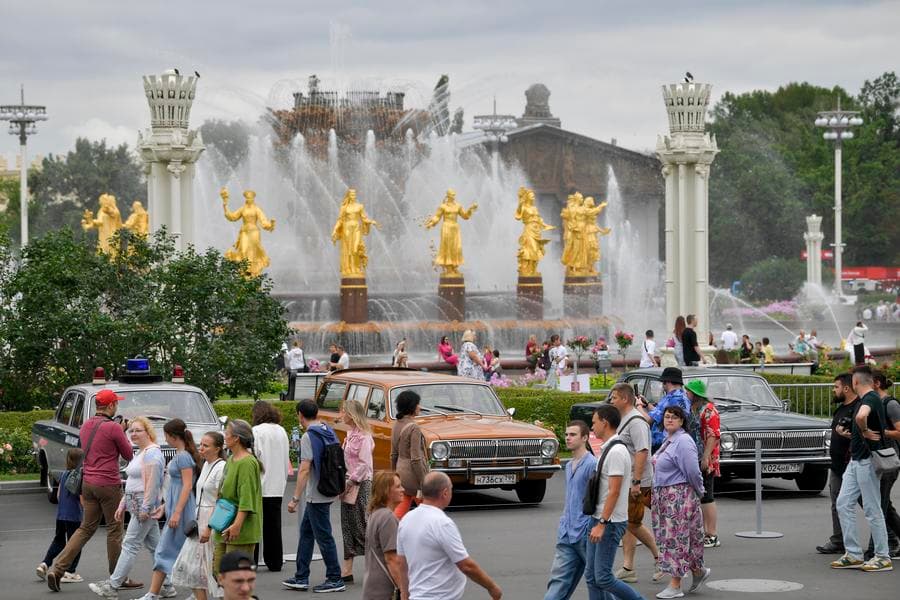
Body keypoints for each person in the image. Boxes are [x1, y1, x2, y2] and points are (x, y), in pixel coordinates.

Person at [47, 388, 133, 592]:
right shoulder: (113, 427)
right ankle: (117, 577)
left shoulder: (86, 426)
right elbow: (128, 454)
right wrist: (123, 431)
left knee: (85, 528)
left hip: (89, 483)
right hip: (108, 484)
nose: (117, 406)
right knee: (114, 530)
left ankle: (57, 569)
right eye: (116, 403)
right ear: (111, 406)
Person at [88, 417, 166, 599]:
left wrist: (146, 508)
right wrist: (123, 503)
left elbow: (153, 485)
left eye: (138, 430)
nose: (133, 433)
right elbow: (133, 481)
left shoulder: (152, 454)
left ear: (148, 431)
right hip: (136, 503)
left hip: (142, 506)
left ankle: (113, 586)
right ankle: (167, 585)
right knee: (156, 548)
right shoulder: (141, 452)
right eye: (131, 430)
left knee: (130, 545)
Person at [397, 472, 502, 600]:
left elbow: (402, 564)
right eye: (451, 489)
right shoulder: (442, 523)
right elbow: (466, 565)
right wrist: (492, 587)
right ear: (445, 493)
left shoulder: (406, 520)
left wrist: (404, 595)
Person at [831, 366, 893, 572]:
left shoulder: (870, 399)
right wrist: (856, 434)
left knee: (872, 507)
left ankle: (883, 556)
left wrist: (864, 430)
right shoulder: (868, 399)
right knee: (843, 503)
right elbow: (860, 422)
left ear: (856, 383)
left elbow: (861, 417)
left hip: (866, 461)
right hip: (857, 461)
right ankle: (854, 554)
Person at [284, 401, 345, 593]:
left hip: (316, 493)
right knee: (307, 534)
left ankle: (335, 578)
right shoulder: (327, 429)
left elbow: (304, 469)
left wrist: (295, 498)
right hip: (328, 487)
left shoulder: (308, 436)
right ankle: (301, 576)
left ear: (300, 415)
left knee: (324, 536)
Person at [583, 404, 644, 600]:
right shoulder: (609, 448)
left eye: (594, 422)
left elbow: (614, 491)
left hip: (609, 522)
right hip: (599, 518)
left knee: (603, 577)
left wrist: (602, 523)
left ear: (605, 422)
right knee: (592, 576)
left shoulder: (617, 452)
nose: (592, 427)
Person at [134, 419, 198, 600]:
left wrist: (176, 511)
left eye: (166, 435)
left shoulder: (183, 456)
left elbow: (186, 486)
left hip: (182, 509)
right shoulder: (181, 455)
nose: (165, 438)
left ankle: (153, 594)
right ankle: (157, 593)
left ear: (172, 436)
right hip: (177, 507)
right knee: (181, 551)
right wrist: (165, 506)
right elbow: (178, 487)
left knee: (168, 550)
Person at [651, 405, 710, 598]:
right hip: (667, 497)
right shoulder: (669, 440)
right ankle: (698, 571)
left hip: (678, 498)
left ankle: (675, 585)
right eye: (667, 417)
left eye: (674, 417)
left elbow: (693, 471)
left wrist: (700, 490)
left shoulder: (683, 441)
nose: (669, 420)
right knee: (682, 539)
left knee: (675, 539)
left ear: (682, 421)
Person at [608, 384, 661, 586]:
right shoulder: (624, 419)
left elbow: (642, 451)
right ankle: (628, 567)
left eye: (614, 398)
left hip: (638, 482)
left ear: (625, 399)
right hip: (628, 480)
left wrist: (637, 482)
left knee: (632, 523)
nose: (611, 401)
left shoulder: (637, 422)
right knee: (628, 522)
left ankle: (660, 558)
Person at [543, 421, 598, 600]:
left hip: (585, 532)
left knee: (599, 580)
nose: (568, 438)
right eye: (567, 434)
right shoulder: (568, 466)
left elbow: (597, 499)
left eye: (573, 434)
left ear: (584, 438)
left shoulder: (592, 464)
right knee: (558, 581)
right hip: (567, 532)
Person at [171, 432, 227, 600]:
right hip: (199, 518)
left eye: (206, 445)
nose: (201, 448)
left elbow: (221, 500)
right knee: (191, 568)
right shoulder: (205, 464)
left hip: (210, 519)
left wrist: (210, 528)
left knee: (212, 568)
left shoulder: (221, 467)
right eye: (200, 444)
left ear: (218, 448)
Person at [816, 374, 860, 555]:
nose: (834, 390)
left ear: (847, 388)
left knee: (874, 507)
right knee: (837, 504)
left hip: (854, 466)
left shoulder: (858, 408)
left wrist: (847, 435)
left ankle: (889, 540)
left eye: (836, 387)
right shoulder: (841, 409)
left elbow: (863, 435)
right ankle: (838, 540)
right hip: (837, 466)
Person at [215, 420, 263, 583]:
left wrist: (237, 525)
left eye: (226, 433)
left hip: (240, 529)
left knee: (236, 578)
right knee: (220, 573)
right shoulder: (231, 459)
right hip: (224, 523)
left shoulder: (247, 462)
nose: (224, 436)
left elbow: (246, 498)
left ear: (236, 438)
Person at [252, 401, 292, 572]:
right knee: (273, 526)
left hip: (261, 484)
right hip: (277, 483)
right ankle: (274, 561)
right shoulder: (281, 430)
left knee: (253, 526)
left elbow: (255, 456)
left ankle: (252, 561)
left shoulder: (256, 431)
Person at [37, 448, 85, 585]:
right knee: (75, 544)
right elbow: (82, 500)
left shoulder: (64, 475)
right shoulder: (79, 477)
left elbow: (58, 496)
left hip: (61, 515)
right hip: (74, 516)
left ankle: (44, 563)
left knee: (59, 540)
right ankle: (70, 571)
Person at [340, 399, 375, 582]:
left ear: (352, 414)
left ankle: (376, 565)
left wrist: (350, 481)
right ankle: (347, 570)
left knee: (361, 524)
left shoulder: (364, 436)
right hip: (349, 482)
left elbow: (364, 464)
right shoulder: (350, 434)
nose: (341, 415)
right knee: (347, 525)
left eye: (344, 412)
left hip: (360, 484)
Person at [866, 371, 900, 559]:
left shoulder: (891, 404)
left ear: (877, 383)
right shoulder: (874, 403)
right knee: (883, 505)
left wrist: (882, 432)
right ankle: (889, 540)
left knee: (879, 505)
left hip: (888, 460)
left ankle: (874, 550)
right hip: (876, 460)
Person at [685, 380, 721, 549]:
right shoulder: (695, 408)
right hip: (696, 455)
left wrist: (706, 458)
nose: (686, 394)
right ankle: (703, 531)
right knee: (701, 495)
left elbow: (713, 435)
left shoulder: (708, 410)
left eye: (688, 391)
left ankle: (712, 534)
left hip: (706, 457)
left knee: (707, 495)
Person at [364, 471, 409, 600]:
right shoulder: (388, 517)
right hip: (384, 589)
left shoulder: (375, 514)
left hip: (372, 585)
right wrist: (404, 591)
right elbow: (392, 559)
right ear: (386, 491)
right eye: (398, 486)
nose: (403, 490)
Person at [390, 391, 429, 519]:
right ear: (412, 406)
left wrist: (394, 475)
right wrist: (424, 481)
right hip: (414, 475)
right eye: (418, 404)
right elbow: (416, 459)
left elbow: (393, 454)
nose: (420, 407)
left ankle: (393, 531)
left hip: (401, 473)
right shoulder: (414, 428)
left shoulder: (396, 425)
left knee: (400, 510)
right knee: (429, 510)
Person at [647, 368, 691, 453]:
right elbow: (661, 414)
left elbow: (648, 420)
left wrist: (638, 406)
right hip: (679, 440)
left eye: (663, 382)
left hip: (664, 443)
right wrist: (647, 404)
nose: (663, 385)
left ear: (667, 382)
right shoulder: (684, 398)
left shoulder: (670, 398)